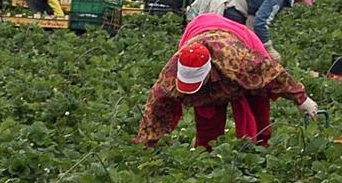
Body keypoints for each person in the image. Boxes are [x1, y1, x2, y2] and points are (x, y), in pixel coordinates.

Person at [135, 13, 317, 149]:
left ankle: (259, 150)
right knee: (207, 114)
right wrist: (147, 144)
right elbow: (156, 105)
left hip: (239, 40)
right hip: (200, 28)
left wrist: (301, 99)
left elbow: (273, 73)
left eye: (196, 82)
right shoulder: (171, 74)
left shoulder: (238, 61)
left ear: (209, 71)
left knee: (258, 103)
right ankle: (206, 154)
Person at [185, 0, 314, 60]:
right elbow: (260, 23)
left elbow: (253, 18)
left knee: (243, 41)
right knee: (229, 43)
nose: (300, 0)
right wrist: (268, 48)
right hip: (226, 2)